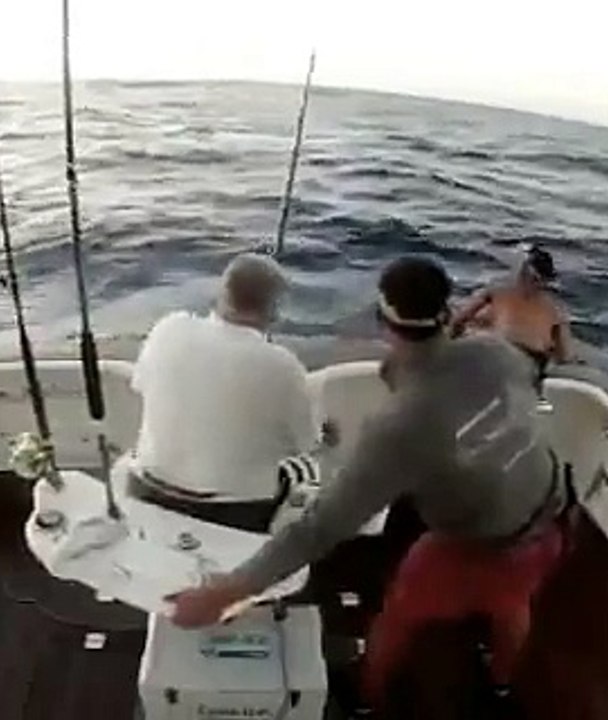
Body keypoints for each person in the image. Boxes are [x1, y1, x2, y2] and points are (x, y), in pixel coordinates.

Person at [167, 256, 570, 714]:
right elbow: (515, 388)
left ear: (383, 319)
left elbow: (320, 528)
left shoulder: (398, 426)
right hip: (553, 514)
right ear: (448, 311)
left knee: (401, 611)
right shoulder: (498, 353)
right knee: (513, 601)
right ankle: (502, 685)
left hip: (481, 547)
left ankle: (367, 697)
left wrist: (223, 593)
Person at [125, 252, 327, 533]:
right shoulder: (284, 366)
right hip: (234, 513)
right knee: (310, 468)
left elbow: (139, 385)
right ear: (274, 310)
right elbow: (307, 444)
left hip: (146, 490)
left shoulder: (167, 329)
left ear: (222, 292)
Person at [451, 245, 572, 381]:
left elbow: (458, 321)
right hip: (530, 363)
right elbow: (563, 356)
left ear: (521, 271)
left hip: (499, 354)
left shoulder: (496, 291)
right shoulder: (556, 309)